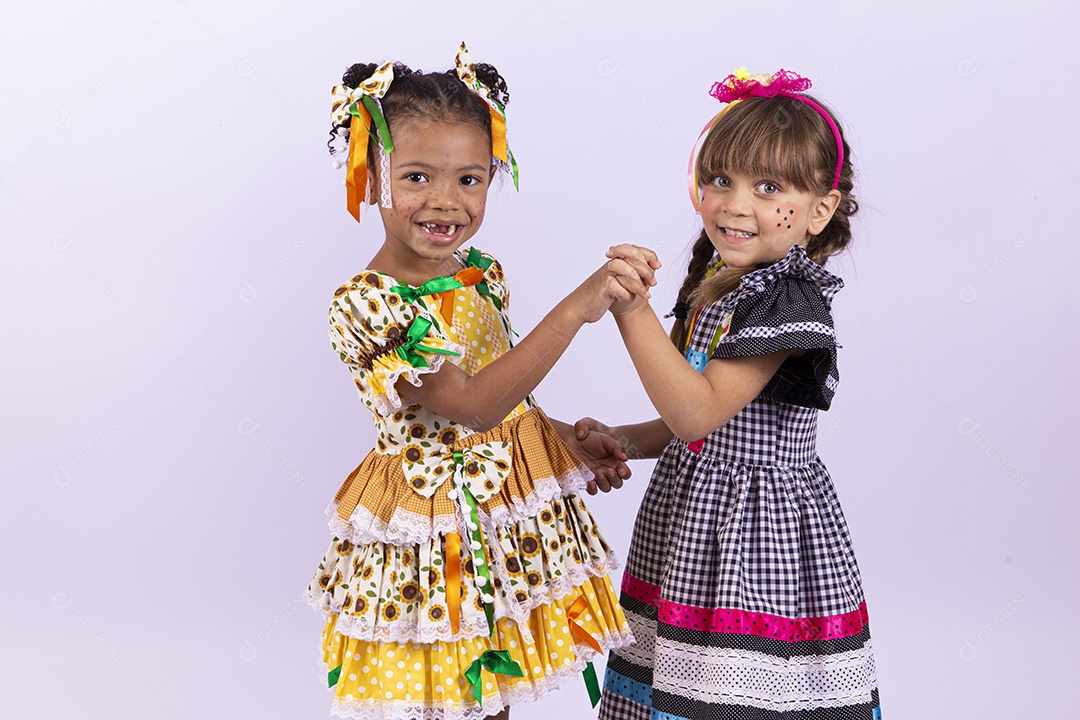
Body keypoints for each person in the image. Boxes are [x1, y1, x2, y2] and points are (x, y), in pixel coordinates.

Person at [305, 44, 643, 720]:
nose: (445, 201)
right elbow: (472, 405)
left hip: (503, 506)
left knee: (496, 688)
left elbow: (509, 392)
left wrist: (564, 441)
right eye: (418, 177)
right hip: (435, 520)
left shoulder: (479, 273)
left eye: (469, 179)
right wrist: (575, 310)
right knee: (450, 692)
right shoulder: (369, 302)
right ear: (372, 177)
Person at [585, 69, 881, 720]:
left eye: (768, 187)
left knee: (730, 694)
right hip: (692, 523)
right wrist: (625, 440)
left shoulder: (787, 301)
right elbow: (693, 420)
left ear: (819, 210)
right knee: (674, 683)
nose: (735, 203)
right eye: (721, 179)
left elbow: (697, 409)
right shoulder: (722, 284)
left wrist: (632, 312)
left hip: (753, 536)